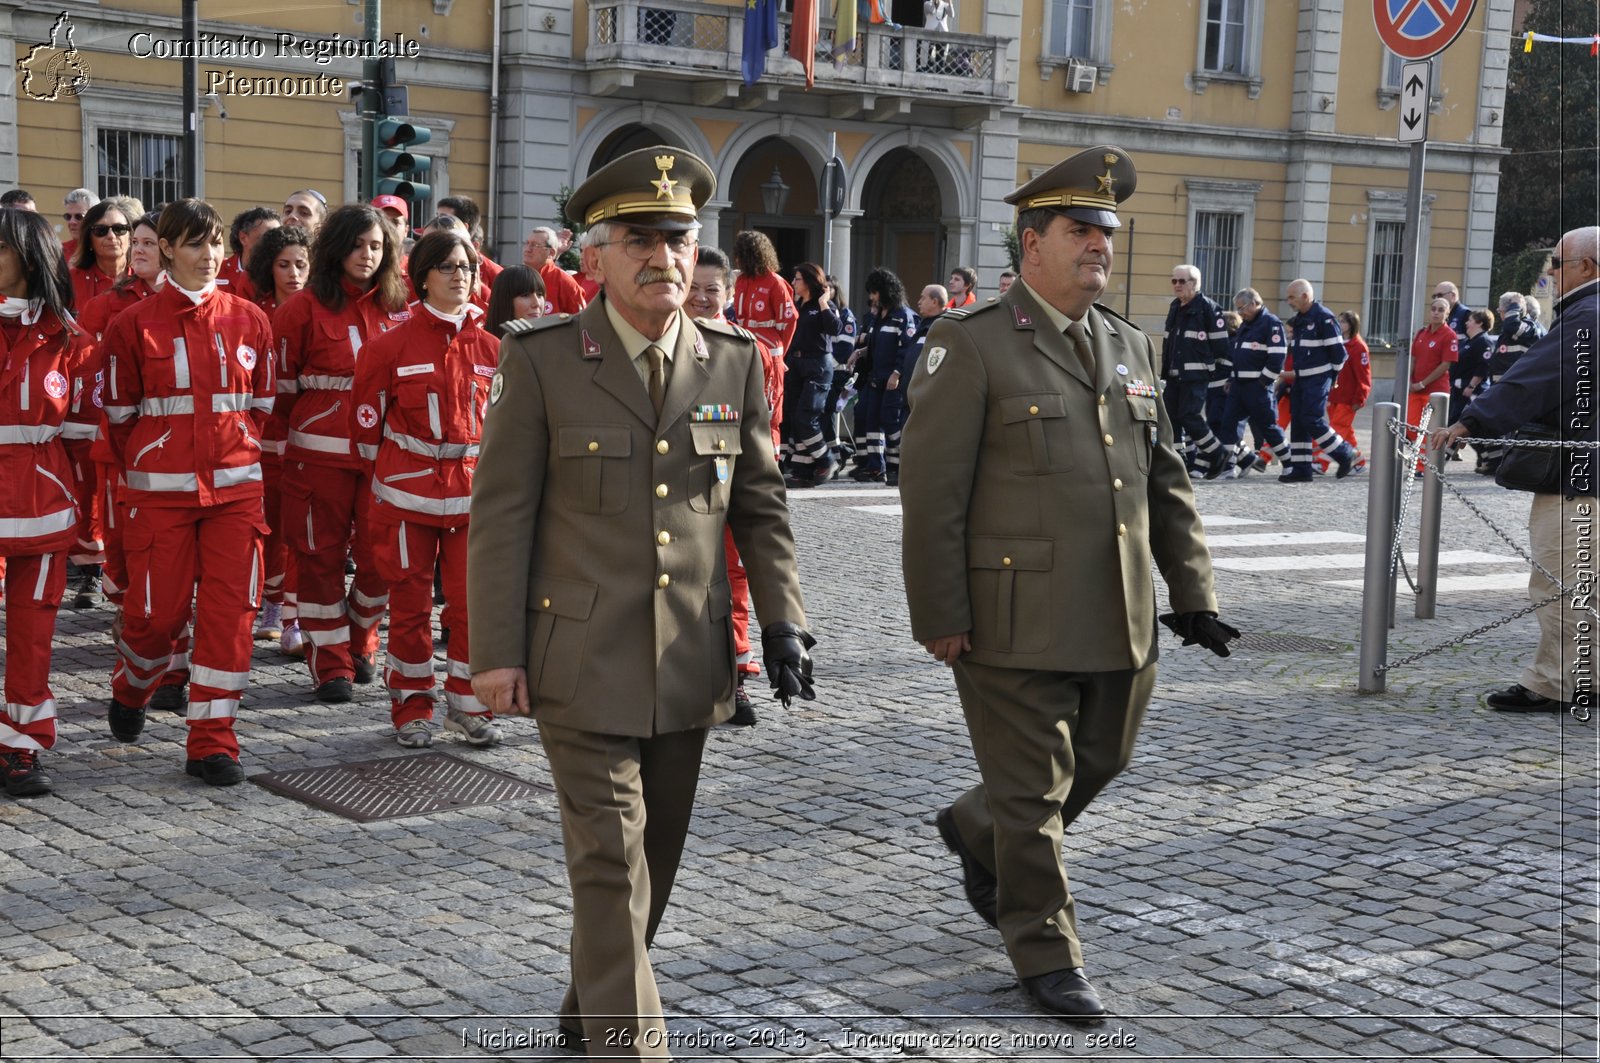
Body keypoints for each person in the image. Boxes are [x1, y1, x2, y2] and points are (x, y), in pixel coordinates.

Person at [467, 145, 815, 1057]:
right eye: (640, 239)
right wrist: (495, 652)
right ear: (597, 258)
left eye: (679, 237)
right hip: (577, 661)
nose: (664, 256)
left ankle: (586, 1021)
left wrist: (782, 617)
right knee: (611, 865)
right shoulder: (542, 359)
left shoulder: (732, 361)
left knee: (651, 867)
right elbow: (500, 517)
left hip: (688, 659)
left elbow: (759, 502)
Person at [900, 143, 1234, 1023]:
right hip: (1011, 619)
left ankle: (977, 830)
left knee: (1101, 757)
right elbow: (933, 495)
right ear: (1031, 242)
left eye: (1106, 232)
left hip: (1117, 611)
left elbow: (1164, 476)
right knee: (1035, 788)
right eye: (1080, 229)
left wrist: (1191, 588)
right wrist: (940, 613)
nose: (1099, 246)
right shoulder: (967, 345)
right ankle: (1046, 953)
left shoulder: (1129, 342)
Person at [100, 198, 276, 787]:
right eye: (197, 244)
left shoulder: (250, 319)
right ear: (168, 248)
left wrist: (234, 449)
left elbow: (262, 409)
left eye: (217, 243)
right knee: (156, 618)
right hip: (160, 497)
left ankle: (212, 742)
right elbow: (120, 419)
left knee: (231, 621)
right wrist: (158, 463)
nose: (210, 255)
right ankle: (133, 686)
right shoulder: (132, 325)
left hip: (235, 496)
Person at [1430, 226, 1598, 715]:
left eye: (1558, 264)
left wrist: (1470, 421)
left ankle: (1554, 684)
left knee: (1561, 578)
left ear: (1587, 267)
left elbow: (1533, 380)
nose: (1550, 272)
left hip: (1582, 474)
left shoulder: (1588, 315)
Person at [351, 229, 503, 749]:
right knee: (411, 605)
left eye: (466, 267)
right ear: (423, 278)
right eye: (448, 267)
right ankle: (411, 707)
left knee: (468, 607)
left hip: (472, 498)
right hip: (405, 498)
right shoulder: (388, 345)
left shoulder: (494, 349)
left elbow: (504, 430)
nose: (460, 275)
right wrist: (395, 479)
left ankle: (467, 705)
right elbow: (366, 430)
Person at [273, 204, 410, 702]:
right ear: (335, 249)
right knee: (319, 561)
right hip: (318, 462)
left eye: (376, 246)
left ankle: (360, 641)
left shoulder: (400, 306)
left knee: (383, 561)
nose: (367, 255)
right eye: (356, 245)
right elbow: (279, 394)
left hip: (385, 460)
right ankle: (329, 663)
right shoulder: (300, 309)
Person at [0, 207, 81, 797]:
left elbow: (86, 433)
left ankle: (21, 747)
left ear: (30, 258)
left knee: (32, 636)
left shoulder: (69, 337)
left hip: (44, 509)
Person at [688, 245, 784, 722]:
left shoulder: (754, 354)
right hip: (678, 492)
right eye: (694, 288)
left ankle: (736, 677)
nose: (702, 298)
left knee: (737, 581)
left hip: (730, 484)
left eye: (713, 290)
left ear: (729, 293)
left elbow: (768, 429)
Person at [245, 224, 314, 648]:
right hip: (266, 438)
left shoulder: (318, 308)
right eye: (283, 264)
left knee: (299, 529)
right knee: (268, 526)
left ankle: (293, 613)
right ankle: (270, 601)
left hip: (307, 437)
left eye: (301, 264)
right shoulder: (256, 311)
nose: (293, 272)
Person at [1281, 278, 1357, 481]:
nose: (1289, 301)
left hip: (1318, 378)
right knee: (1298, 421)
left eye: (1292, 297)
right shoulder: (1299, 320)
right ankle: (1301, 468)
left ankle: (1343, 452)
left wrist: (1331, 377)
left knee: (1311, 419)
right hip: (1302, 379)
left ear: (1305, 296)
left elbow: (1339, 354)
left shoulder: (1324, 318)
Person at [850, 267, 917, 485]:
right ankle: (875, 467)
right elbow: (877, 345)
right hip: (875, 378)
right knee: (871, 421)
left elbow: (905, 350)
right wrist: (860, 352)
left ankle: (898, 466)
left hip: (891, 380)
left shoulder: (903, 317)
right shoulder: (879, 317)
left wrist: (896, 374)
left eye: (875, 292)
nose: (872, 297)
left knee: (890, 422)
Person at [1161, 264, 1229, 478]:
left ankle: (1217, 452)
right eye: (1174, 281)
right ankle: (1178, 462)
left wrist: (1214, 374)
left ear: (1194, 283)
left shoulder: (1209, 308)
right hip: (1173, 375)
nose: (1177, 286)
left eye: (1181, 281)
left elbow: (1222, 348)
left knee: (1189, 416)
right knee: (1171, 420)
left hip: (1195, 375)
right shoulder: (1175, 307)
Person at [1215, 287, 1288, 476]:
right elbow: (1238, 355)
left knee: (1268, 427)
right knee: (1228, 425)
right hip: (1239, 385)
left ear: (1254, 303)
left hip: (1257, 387)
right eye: (1238, 309)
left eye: (1242, 308)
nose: (1240, 313)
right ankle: (1228, 468)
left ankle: (1289, 462)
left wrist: (1263, 382)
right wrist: (1232, 378)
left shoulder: (1271, 323)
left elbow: (1277, 357)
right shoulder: (1246, 325)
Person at [783, 261, 840, 486]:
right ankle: (802, 469)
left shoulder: (823, 305)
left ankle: (826, 459)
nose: (793, 283)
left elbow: (834, 329)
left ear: (808, 281)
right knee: (795, 417)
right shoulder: (799, 306)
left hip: (817, 365)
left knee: (806, 417)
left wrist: (824, 303)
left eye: (797, 279)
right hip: (796, 365)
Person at [1479, 293, 1543, 475]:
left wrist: (1515, 306)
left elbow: (1512, 325)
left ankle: (1510, 466)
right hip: (1505, 388)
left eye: (1501, 311)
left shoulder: (1527, 327)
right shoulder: (1513, 331)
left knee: (1511, 429)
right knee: (1495, 425)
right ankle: (1496, 464)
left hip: (1517, 389)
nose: (1500, 315)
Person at [1406, 296, 1458, 470]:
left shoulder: (1449, 336)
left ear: (1447, 313)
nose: (1436, 313)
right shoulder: (1422, 333)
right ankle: (1419, 461)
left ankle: (1423, 466)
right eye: (1434, 309)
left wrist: (1422, 383)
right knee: (1412, 426)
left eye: (1441, 310)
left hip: (1435, 391)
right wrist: (1410, 380)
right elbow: (1413, 358)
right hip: (1416, 390)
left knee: (1430, 430)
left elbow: (1445, 364)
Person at [731, 229, 797, 361]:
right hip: (745, 346)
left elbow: (789, 321)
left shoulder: (775, 282)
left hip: (769, 350)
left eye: (741, 255)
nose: (737, 260)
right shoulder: (742, 280)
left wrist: (781, 353)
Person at [1326, 310, 1372, 473]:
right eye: (1339, 321)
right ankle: (1358, 461)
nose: (1340, 325)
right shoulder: (1337, 343)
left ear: (1352, 325)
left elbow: (1364, 376)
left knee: (1334, 430)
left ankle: (1321, 463)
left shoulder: (1358, 346)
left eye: (1344, 322)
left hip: (1348, 398)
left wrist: (1360, 398)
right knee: (1345, 433)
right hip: (1335, 396)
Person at [821, 274, 858, 471]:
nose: (826, 292)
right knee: (822, 415)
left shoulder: (845, 315)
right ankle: (835, 453)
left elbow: (845, 348)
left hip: (837, 372)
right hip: (826, 371)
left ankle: (837, 455)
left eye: (829, 288)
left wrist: (827, 362)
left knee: (827, 413)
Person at [217, 207, 279, 301]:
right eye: (269, 236)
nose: (276, 242)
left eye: (279, 236)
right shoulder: (215, 270)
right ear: (243, 238)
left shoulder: (281, 274)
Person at [521, 226, 587, 315]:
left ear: (551, 253)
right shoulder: (515, 277)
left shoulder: (564, 282)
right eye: (527, 243)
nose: (528, 249)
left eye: (535, 245)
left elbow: (580, 321)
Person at [1452, 308, 1495, 443]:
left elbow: (1484, 366)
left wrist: (1471, 385)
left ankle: (1489, 458)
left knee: (1466, 425)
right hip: (1459, 390)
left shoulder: (1483, 341)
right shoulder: (1468, 342)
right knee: (1457, 423)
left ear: (1480, 323)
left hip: (1471, 392)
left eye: (1470, 320)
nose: (1466, 323)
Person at [485, 264, 547, 335]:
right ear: (504, 301)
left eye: (539, 294)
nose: (537, 304)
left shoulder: (553, 342)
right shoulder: (484, 344)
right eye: (525, 295)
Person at [60, 188, 97, 261]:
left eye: (79, 216)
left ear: (95, 218)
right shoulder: (60, 252)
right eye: (68, 217)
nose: (72, 222)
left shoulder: (105, 251)